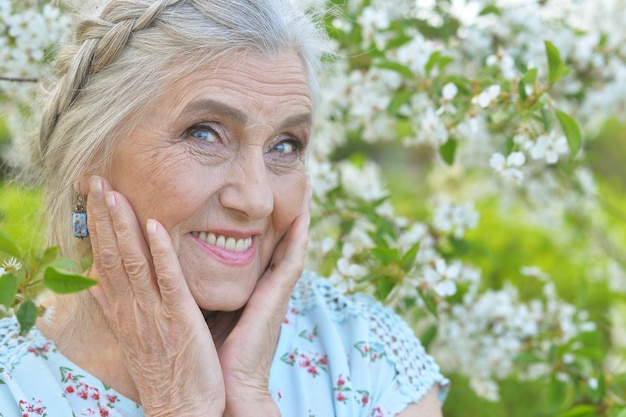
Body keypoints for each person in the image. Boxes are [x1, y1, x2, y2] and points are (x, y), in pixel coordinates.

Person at [0, 0, 449, 415]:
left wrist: (250, 395)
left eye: (285, 145)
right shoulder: (12, 387)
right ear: (90, 154)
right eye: (204, 134)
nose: (257, 199)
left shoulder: (365, 354)